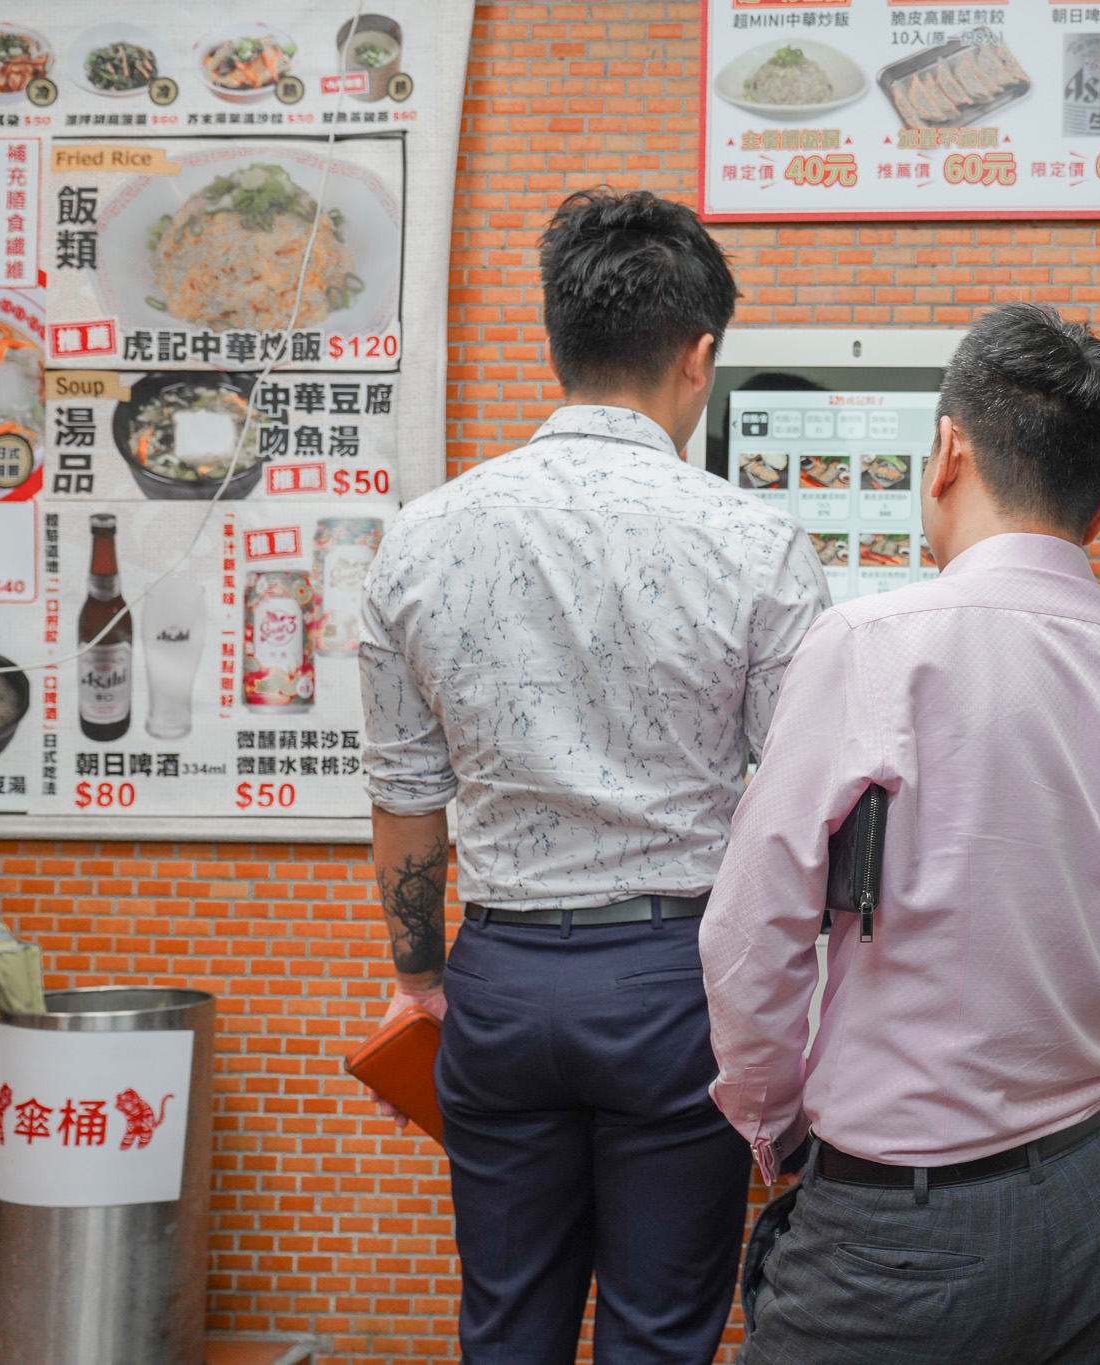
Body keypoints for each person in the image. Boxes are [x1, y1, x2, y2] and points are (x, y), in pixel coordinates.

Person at [700, 303, 1100, 1364]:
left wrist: (769, 1124)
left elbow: (749, 937)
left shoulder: (869, 646)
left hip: (903, 1232)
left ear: (947, 451)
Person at [357, 188, 829, 1365]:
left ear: (554, 341)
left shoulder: (419, 537)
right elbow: (804, 800)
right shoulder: (752, 543)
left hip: (499, 980)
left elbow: (405, 801)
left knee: (506, 1322)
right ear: (699, 353)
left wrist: (421, 979)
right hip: (679, 986)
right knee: (661, 1332)